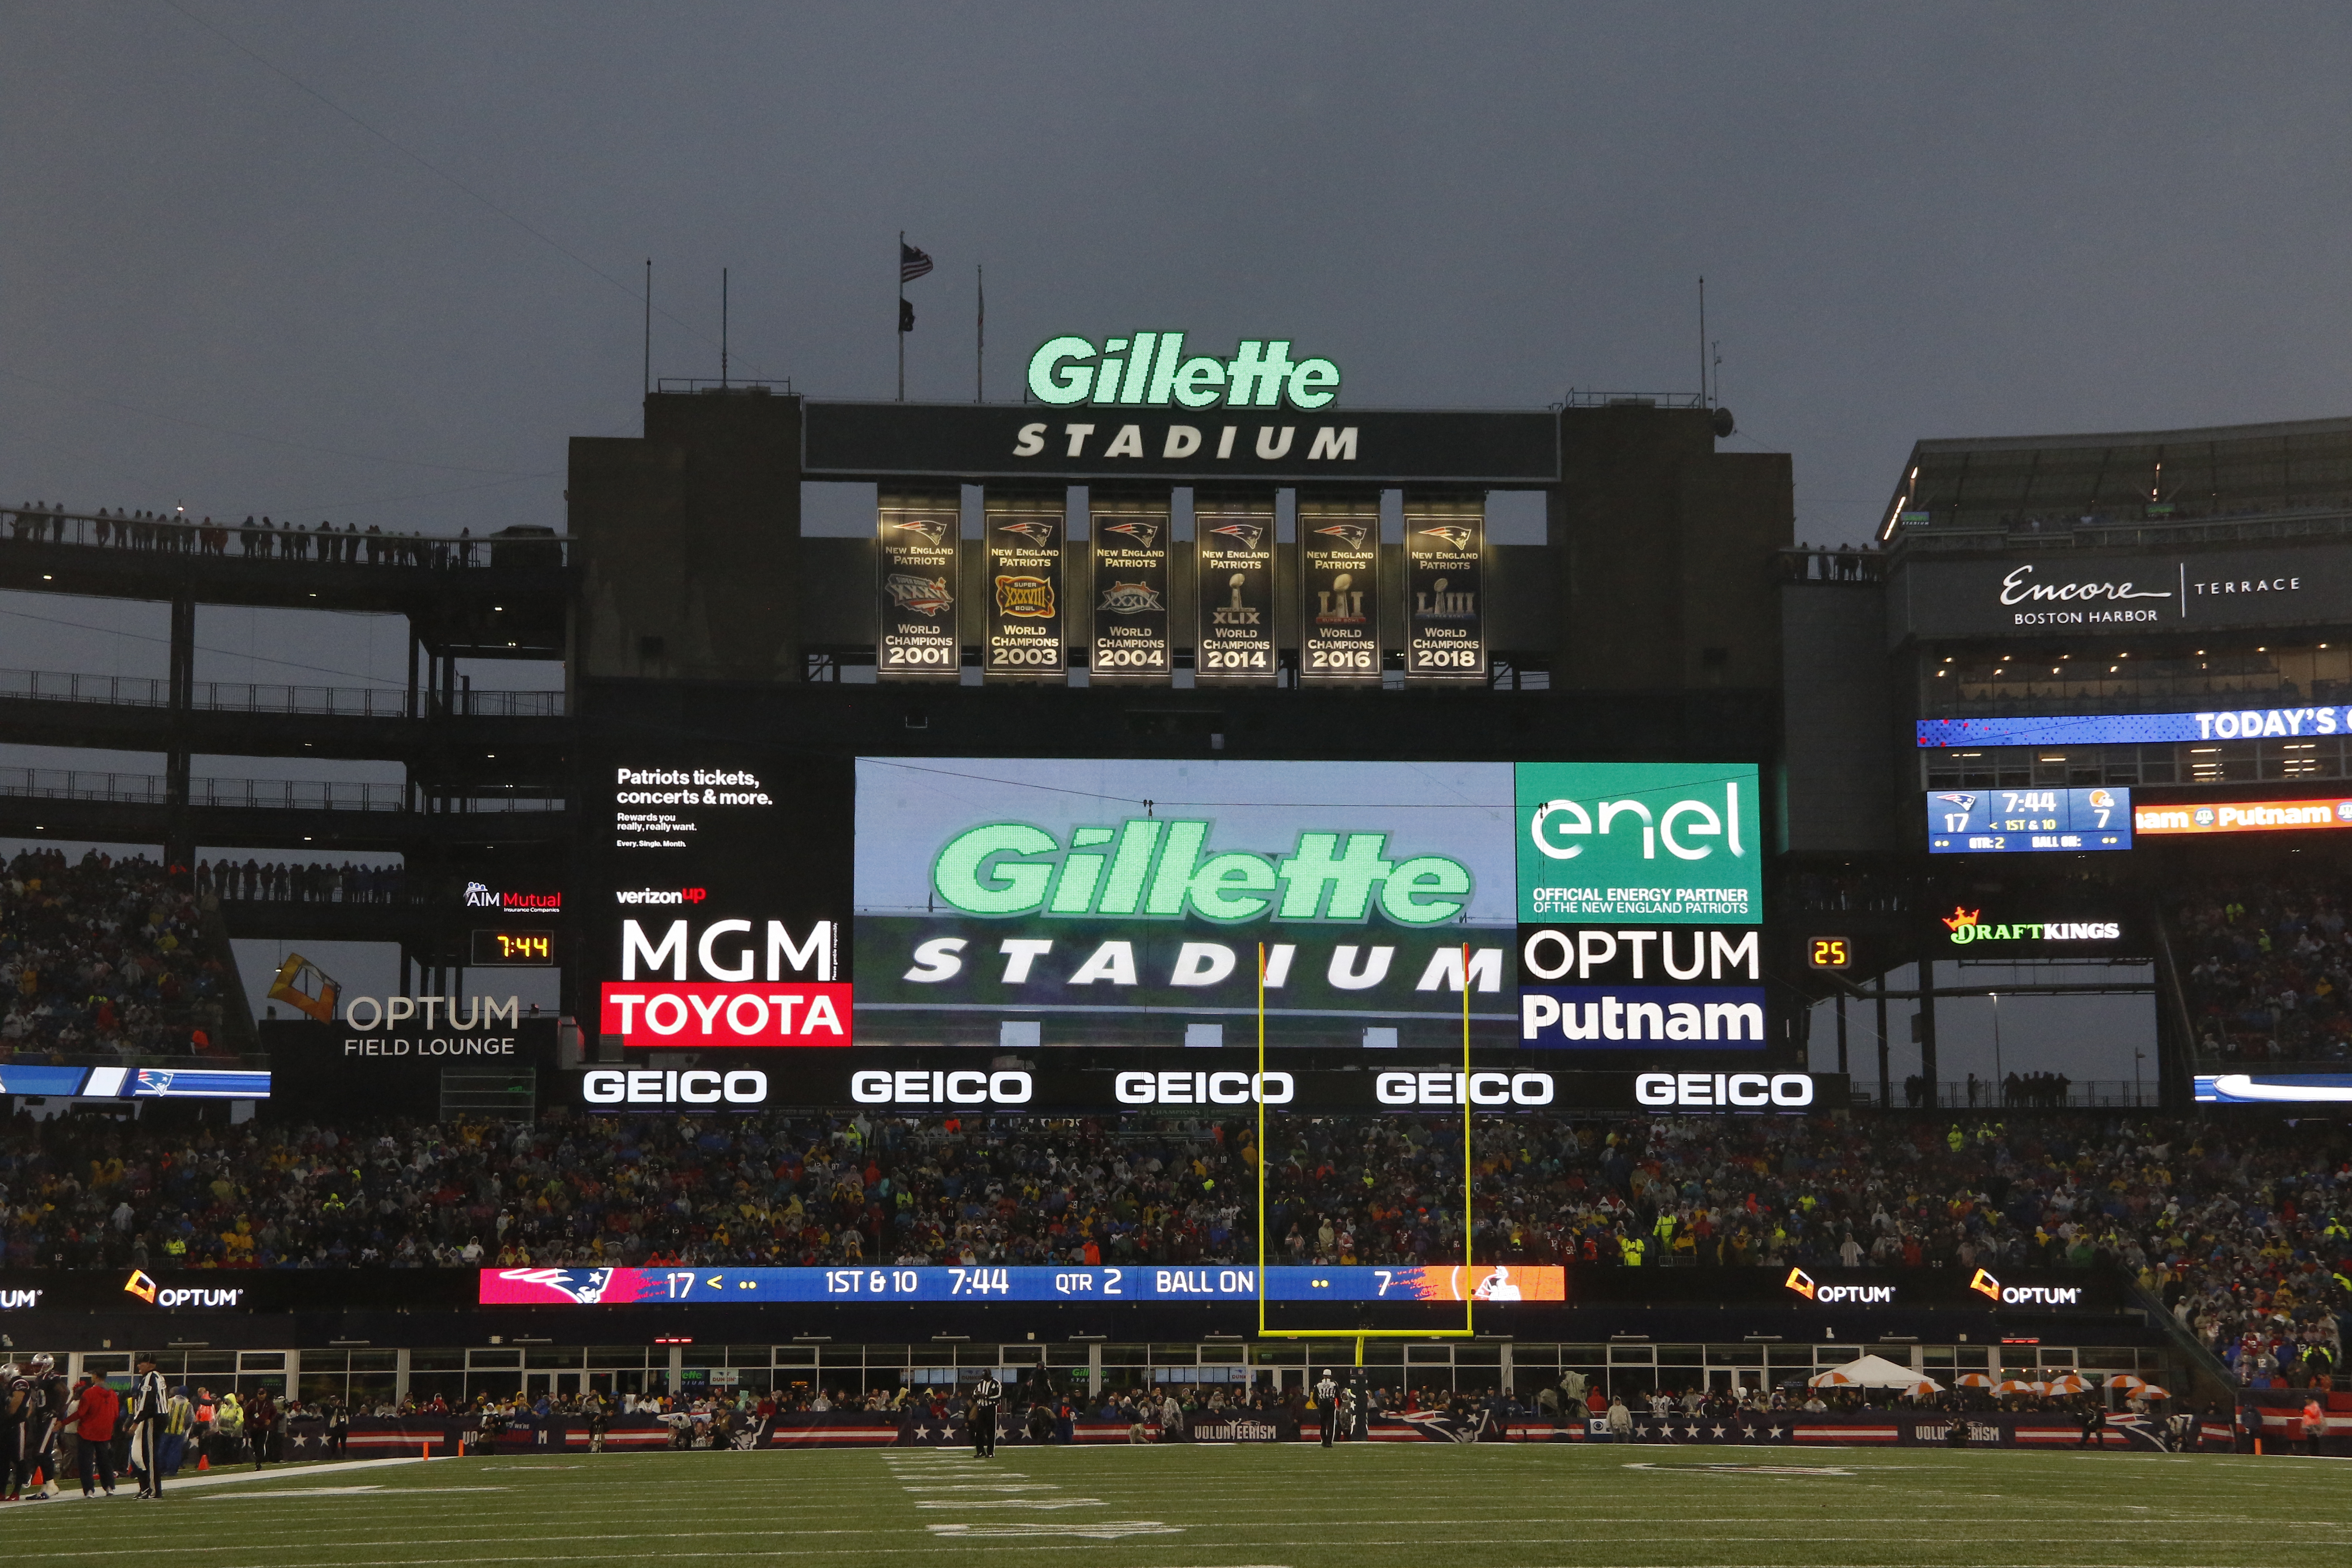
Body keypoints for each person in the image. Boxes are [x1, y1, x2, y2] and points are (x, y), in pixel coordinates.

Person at [71, 1375, 119, 1497]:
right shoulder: (112, 1394)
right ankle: (109, 1486)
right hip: (104, 1431)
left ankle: (89, 1489)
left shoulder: (89, 1393)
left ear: (95, 1378)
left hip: (87, 1431)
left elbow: (81, 1412)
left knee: (86, 1461)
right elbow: (116, 1413)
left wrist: (64, 1422)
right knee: (104, 1460)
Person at [968, 1372, 1001, 1459]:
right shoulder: (980, 1383)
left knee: (991, 1431)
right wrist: (977, 1395)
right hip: (981, 1408)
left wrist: (986, 1397)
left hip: (991, 1408)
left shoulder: (996, 1383)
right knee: (979, 1430)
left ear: (990, 1375)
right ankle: (980, 1451)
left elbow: (999, 1396)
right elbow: (974, 1394)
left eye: (986, 1376)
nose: (985, 1378)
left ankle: (990, 1452)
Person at [247, 1386, 279, 1470]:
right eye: (260, 1394)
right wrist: (251, 1424)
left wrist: (270, 1420)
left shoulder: (269, 1403)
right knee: (254, 1445)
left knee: (260, 1445)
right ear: (257, 1395)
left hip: (264, 1428)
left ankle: (259, 1461)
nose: (261, 1396)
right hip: (254, 1427)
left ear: (266, 1394)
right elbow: (246, 1414)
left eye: (263, 1394)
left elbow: (274, 1412)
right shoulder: (253, 1403)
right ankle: (258, 1457)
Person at [1314, 1372, 1340, 1447]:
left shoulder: (1318, 1384)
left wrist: (1319, 1405)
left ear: (1323, 1375)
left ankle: (1324, 1441)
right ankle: (1329, 1442)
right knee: (1331, 1423)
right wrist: (1339, 1404)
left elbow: (1315, 1397)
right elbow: (1338, 1395)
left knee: (1323, 1423)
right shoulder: (1334, 1384)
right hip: (1331, 1403)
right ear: (1330, 1376)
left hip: (1322, 1403)